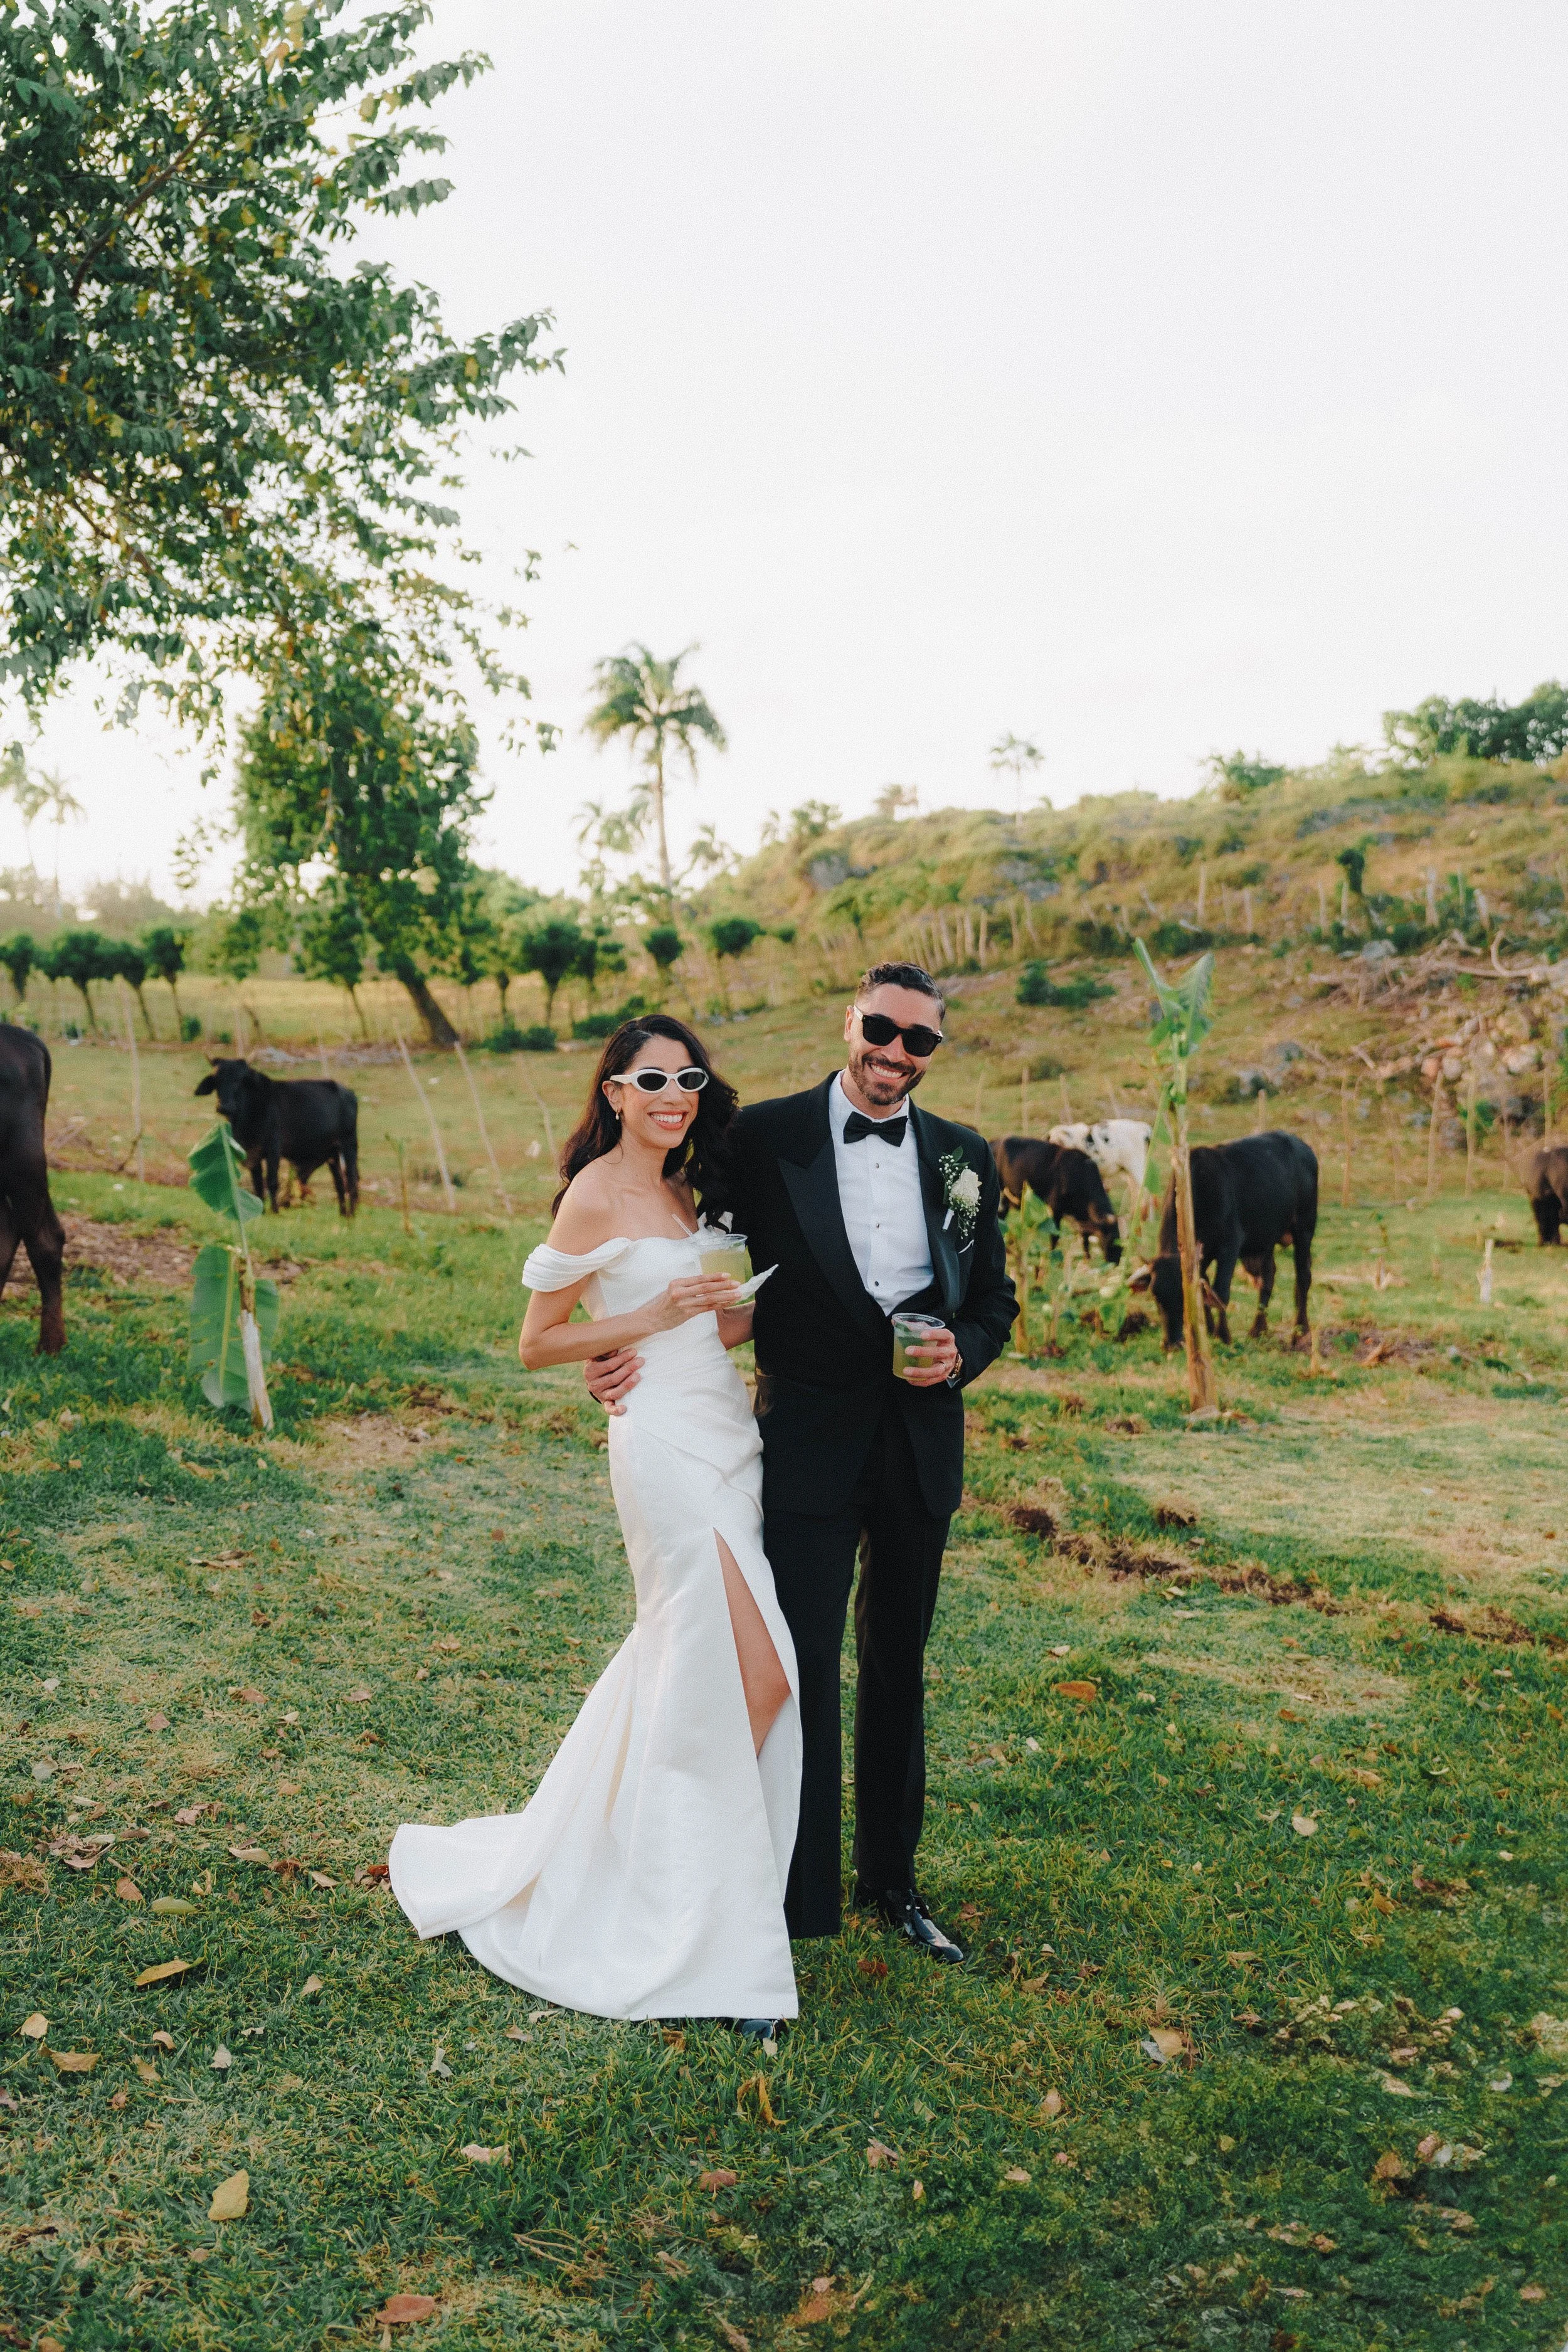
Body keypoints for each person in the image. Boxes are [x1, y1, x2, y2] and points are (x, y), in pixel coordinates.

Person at [585, 963, 1016, 1962]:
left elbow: (992, 1297)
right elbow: (678, 1254)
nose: (895, 1054)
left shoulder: (964, 1157)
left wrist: (965, 1351)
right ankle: (794, 1891)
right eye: (881, 1028)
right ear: (849, 1021)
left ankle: (894, 1882)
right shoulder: (761, 1137)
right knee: (799, 1663)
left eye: (920, 1041)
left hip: (918, 1447)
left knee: (898, 1660)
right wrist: (618, 1353)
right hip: (801, 1447)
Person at [388, 1014, 800, 2035]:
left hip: (725, 1432)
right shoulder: (596, 1190)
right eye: (650, 1077)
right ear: (613, 1090)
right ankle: (683, 1904)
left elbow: (713, 1318)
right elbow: (539, 1338)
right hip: (661, 1445)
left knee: (699, 1664)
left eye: (687, 1076)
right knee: (757, 1674)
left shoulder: (682, 1189)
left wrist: (740, 1304)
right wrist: (644, 1327)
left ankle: (634, 1855)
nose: (672, 1092)